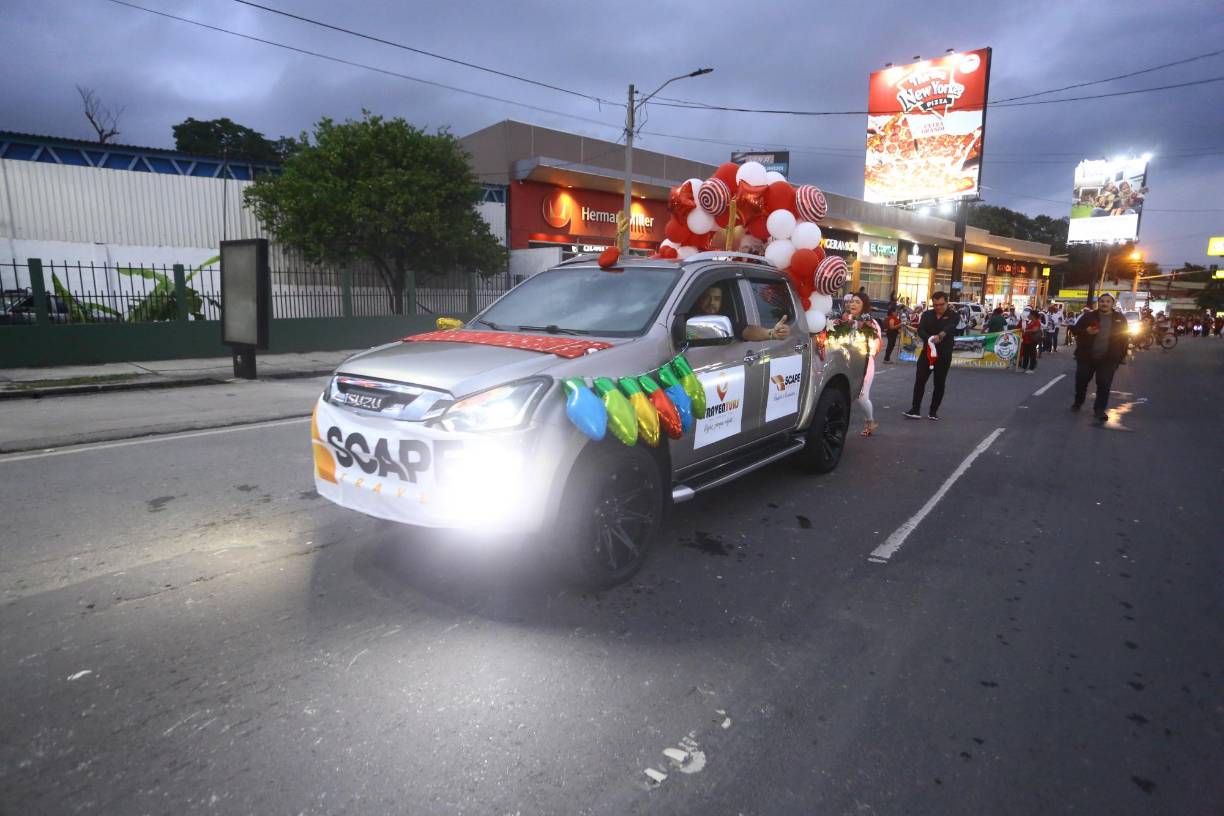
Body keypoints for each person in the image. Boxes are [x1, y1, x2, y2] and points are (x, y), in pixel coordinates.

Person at [1070, 293, 1129, 422]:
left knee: (1104, 384)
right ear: (1098, 302)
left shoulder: (1120, 318)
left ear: (1112, 303)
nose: (1104, 303)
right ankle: (1078, 402)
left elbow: (1125, 338)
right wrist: (1086, 331)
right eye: (1102, 301)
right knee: (1081, 381)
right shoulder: (1088, 316)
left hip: (1108, 359)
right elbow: (1074, 330)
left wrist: (1122, 355)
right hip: (1087, 357)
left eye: (1108, 301)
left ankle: (1099, 410)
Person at [903, 291, 960, 421]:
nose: (938, 307)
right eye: (935, 305)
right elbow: (921, 330)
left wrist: (941, 335)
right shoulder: (927, 314)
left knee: (939, 383)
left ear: (947, 302)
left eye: (941, 304)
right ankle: (915, 409)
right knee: (920, 381)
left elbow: (951, 327)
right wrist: (929, 338)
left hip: (944, 354)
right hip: (927, 354)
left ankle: (933, 411)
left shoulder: (953, 315)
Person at [840, 292, 882, 436]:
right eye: (852, 301)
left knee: (862, 396)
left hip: (864, 362)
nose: (853, 304)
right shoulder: (843, 319)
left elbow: (876, 343)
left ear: (864, 305)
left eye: (857, 302)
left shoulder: (870, 323)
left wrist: (859, 328)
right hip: (845, 362)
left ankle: (870, 422)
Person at [693, 284, 790, 342]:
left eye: (717, 299)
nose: (712, 302)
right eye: (707, 297)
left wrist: (771, 333)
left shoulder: (726, 321)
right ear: (699, 299)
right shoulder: (684, 318)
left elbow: (746, 331)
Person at [1019, 309, 1042, 373]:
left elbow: (1034, 330)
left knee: (1032, 355)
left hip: (1032, 341)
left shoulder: (1037, 322)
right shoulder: (1030, 321)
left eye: (1029, 314)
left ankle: (1032, 368)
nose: (1028, 315)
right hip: (1026, 340)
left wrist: (1025, 330)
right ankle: (1024, 367)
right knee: (1025, 354)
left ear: (1033, 315)